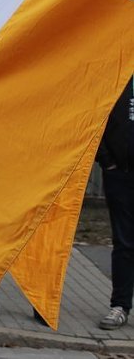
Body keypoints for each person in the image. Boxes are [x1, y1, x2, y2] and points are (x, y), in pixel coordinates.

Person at [95, 75, 134, 330]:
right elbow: (96, 118)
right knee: (124, 242)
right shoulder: (116, 74)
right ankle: (119, 306)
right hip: (120, 174)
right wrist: (107, 161)